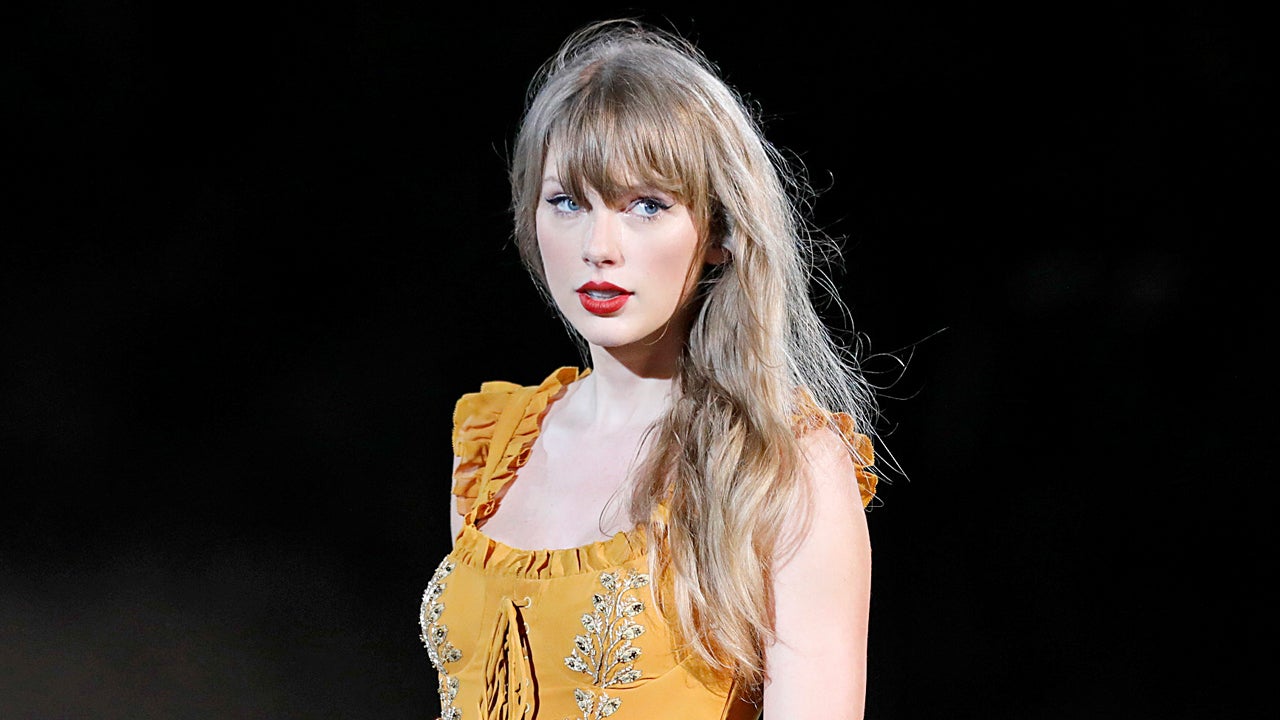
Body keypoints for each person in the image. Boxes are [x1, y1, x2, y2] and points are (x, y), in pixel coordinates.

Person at [420, 18, 881, 720]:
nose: (599, 245)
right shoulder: (491, 453)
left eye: (646, 206)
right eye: (568, 202)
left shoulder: (779, 466)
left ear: (721, 230)